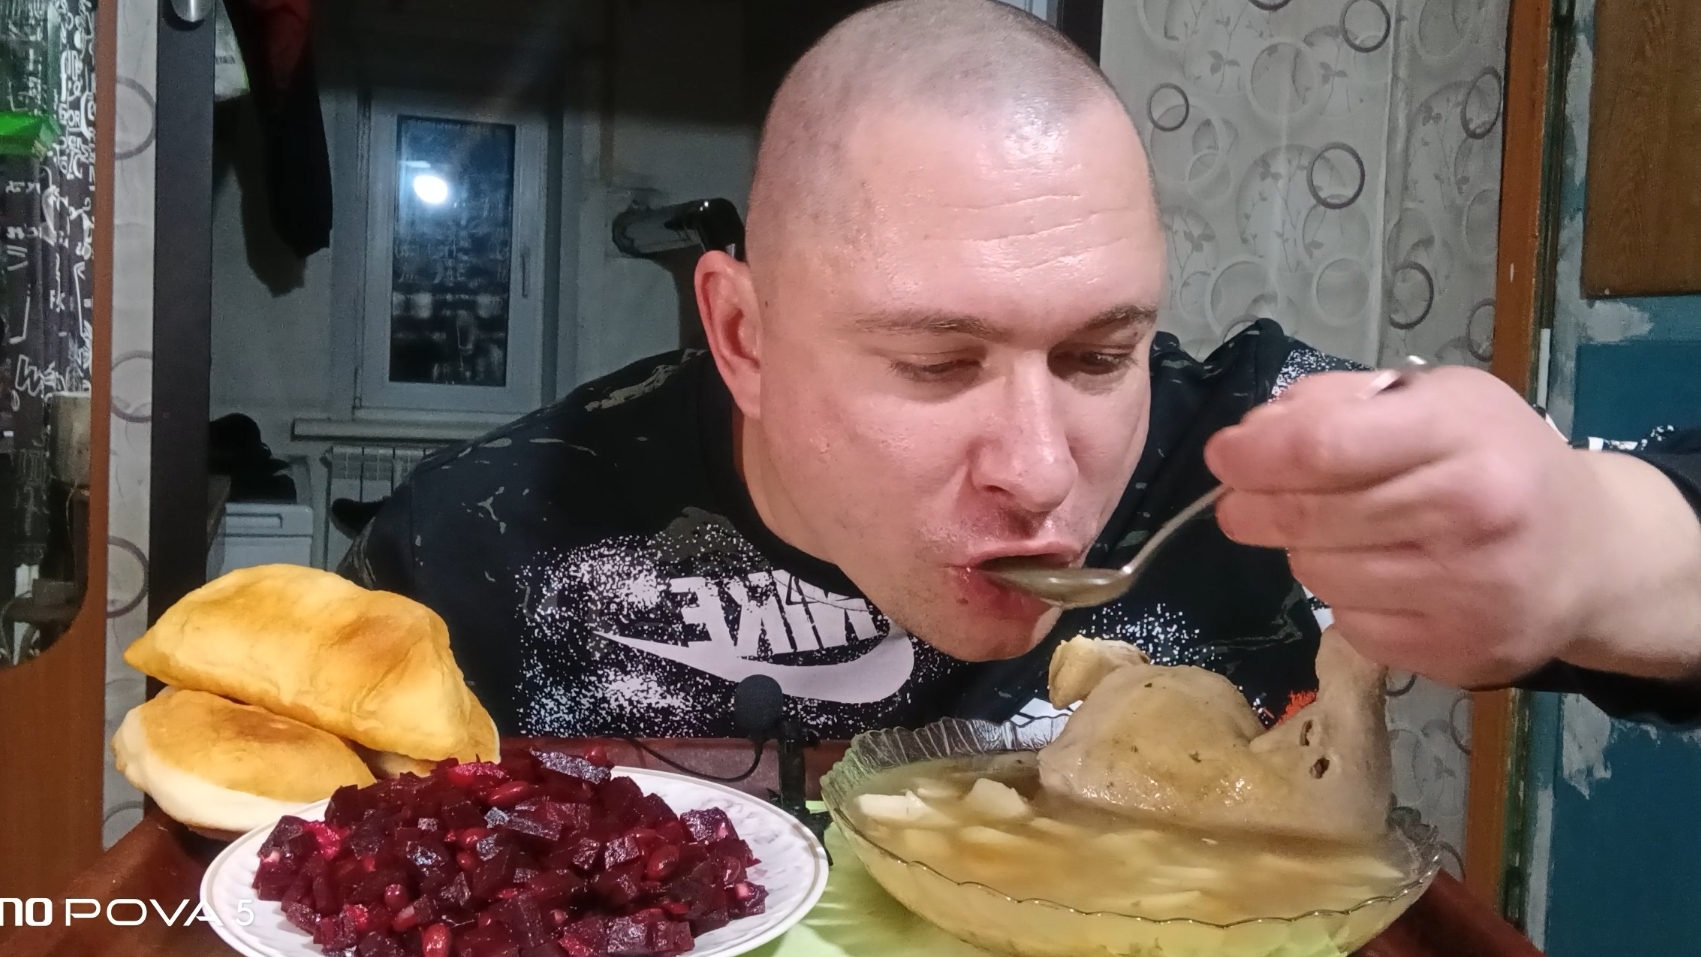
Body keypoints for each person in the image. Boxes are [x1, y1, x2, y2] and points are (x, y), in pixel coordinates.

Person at [342, 0, 1701, 739]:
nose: (1043, 470)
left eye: (1100, 354)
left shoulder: (1258, 461)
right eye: (937, 364)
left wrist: (1590, 549)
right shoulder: (484, 548)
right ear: (743, 336)